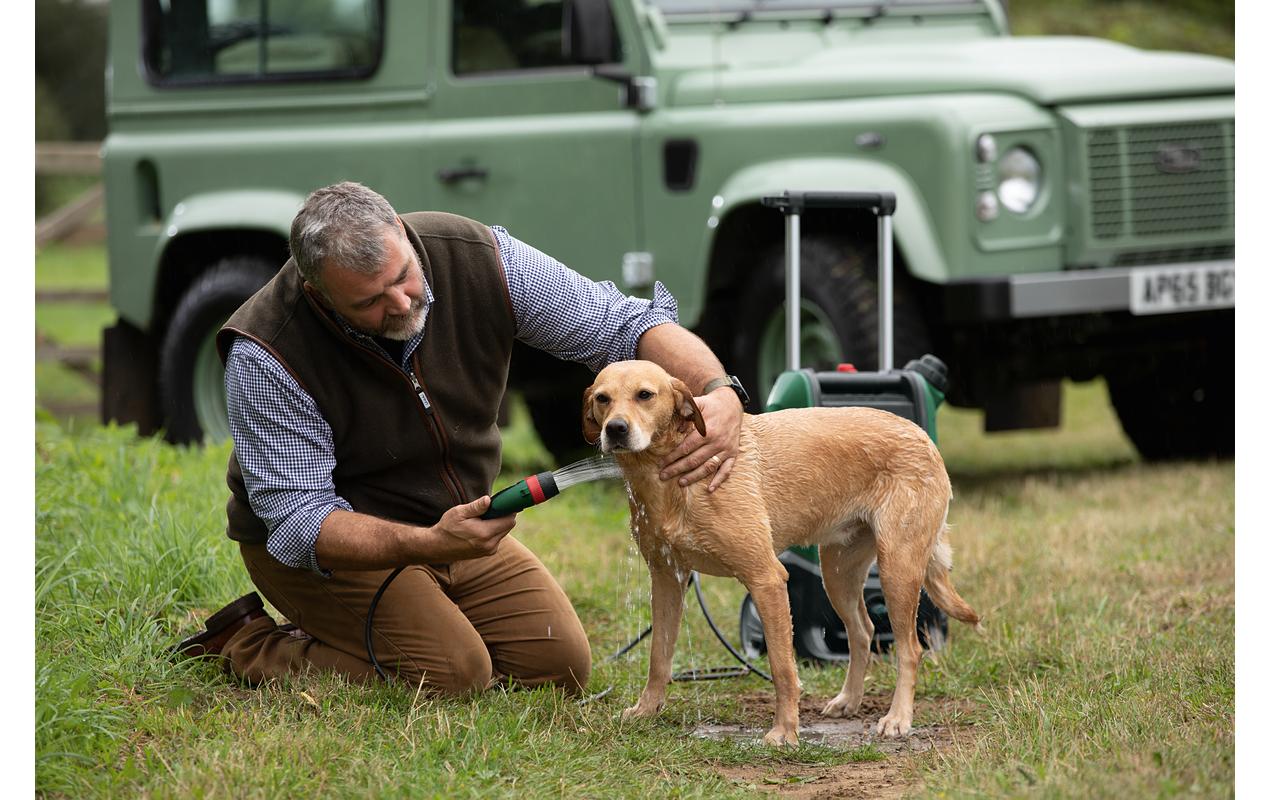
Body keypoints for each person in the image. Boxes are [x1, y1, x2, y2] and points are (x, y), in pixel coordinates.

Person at [174, 181, 746, 695]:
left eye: (403, 278)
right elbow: (301, 525)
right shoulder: (267, 351)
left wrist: (720, 392)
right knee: (455, 675)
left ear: (400, 230)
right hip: (335, 551)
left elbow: (626, 324)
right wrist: (425, 546)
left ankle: (387, 627)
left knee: (558, 666)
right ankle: (249, 644)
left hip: (451, 526)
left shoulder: (478, 258)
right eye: (369, 302)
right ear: (318, 292)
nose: (401, 305)